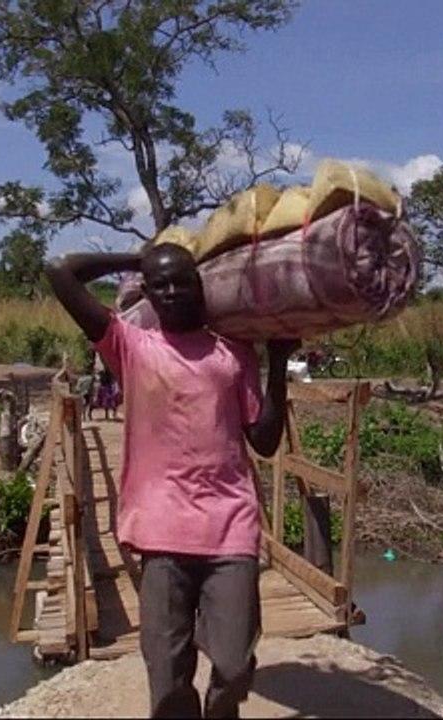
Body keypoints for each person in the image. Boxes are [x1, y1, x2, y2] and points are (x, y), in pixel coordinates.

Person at [46, 245, 298, 719]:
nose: (171, 291)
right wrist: (139, 257)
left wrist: (279, 364)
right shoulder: (130, 346)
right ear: (147, 292)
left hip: (230, 527)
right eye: (159, 284)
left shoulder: (233, 353)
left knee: (234, 663)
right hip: (160, 531)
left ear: (201, 286)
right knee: (166, 672)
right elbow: (61, 270)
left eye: (182, 280)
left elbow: (264, 442)